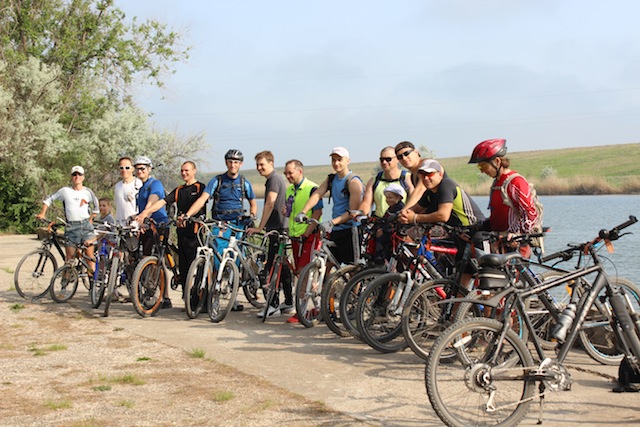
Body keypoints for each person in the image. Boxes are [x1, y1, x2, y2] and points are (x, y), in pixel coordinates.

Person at [183, 149, 257, 311]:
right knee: (217, 260)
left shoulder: (244, 182)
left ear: (241, 164)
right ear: (226, 163)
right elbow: (203, 199)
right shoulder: (217, 181)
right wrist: (188, 214)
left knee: (235, 261)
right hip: (220, 223)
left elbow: (253, 202)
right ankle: (214, 297)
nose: (233, 164)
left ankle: (233, 297)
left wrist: (252, 215)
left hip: (238, 225)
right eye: (230, 161)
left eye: (236, 162)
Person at [135, 161, 206, 297]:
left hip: (195, 231)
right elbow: (162, 202)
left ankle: (199, 297)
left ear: (194, 171)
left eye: (187, 170)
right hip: (181, 230)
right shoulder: (179, 190)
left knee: (195, 265)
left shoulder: (199, 188)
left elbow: (201, 202)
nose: (184, 173)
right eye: (182, 171)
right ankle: (186, 296)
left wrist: (188, 216)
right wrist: (145, 213)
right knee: (183, 265)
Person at [468, 138, 539, 257]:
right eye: (479, 167)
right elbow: (498, 216)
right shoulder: (497, 183)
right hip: (499, 244)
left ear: (497, 161)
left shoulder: (516, 182)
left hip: (514, 247)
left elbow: (531, 213)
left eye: (483, 166)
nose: (482, 171)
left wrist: (518, 235)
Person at [295, 147, 364, 265]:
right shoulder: (331, 179)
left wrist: (331, 222)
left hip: (350, 230)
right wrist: (303, 212)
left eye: (339, 159)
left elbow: (352, 213)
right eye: (333, 160)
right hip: (336, 229)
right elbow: (317, 194)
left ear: (348, 160)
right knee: (326, 265)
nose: (336, 163)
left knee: (352, 269)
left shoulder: (353, 182)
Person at [246, 151, 292, 318]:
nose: (259, 168)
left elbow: (269, 204)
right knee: (283, 266)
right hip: (282, 228)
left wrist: (259, 227)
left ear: (271, 164)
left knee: (271, 268)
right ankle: (288, 302)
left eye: (262, 164)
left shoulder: (273, 179)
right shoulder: (277, 178)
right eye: (257, 165)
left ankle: (272, 305)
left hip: (276, 229)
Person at [281, 159, 323, 323]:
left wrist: (307, 233)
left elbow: (317, 213)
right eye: (285, 173)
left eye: (290, 172)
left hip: (309, 236)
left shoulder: (312, 188)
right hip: (295, 236)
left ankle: (302, 311)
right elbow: (290, 212)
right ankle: (317, 308)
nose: (287, 176)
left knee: (305, 272)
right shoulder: (289, 189)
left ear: (300, 171)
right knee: (300, 273)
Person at [36, 166, 99, 272]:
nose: (77, 177)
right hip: (71, 226)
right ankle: (64, 285)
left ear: (83, 177)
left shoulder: (88, 192)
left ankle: (93, 285)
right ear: (71, 177)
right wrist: (42, 213)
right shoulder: (65, 191)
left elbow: (96, 207)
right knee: (69, 259)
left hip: (86, 227)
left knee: (89, 257)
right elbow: (49, 199)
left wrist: (91, 219)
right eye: (74, 174)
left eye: (79, 174)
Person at [399, 159, 484, 228]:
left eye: (430, 174)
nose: (426, 178)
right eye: (422, 174)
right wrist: (404, 214)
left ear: (440, 174)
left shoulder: (446, 185)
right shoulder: (430, 192)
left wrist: (415, 218)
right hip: (456, 232)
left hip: (473, 230)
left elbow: (443, 216)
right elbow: (415, 208)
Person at [133, 156, 171, 308]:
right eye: (137, 168)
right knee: (144, 257)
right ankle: (146, 290)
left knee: (157, 261)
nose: (140, 171)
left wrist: (143, 216)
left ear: (149, 169)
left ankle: (165, 297)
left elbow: (152, 201)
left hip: (158, 224)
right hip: (146, 225)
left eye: (143, 168)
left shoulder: (155, 184)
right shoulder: (141, 187)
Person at [356, 146, 413, 218]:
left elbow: (413, 204)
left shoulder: (407, 179)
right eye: (381, 159)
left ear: (397, 159)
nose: (384, 162)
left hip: (401, 222)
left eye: (388, 159)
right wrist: (360, 212)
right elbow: (366, 203)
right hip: (380, 223)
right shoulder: (374, 181)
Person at [372, 183, 406, 265]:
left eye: (390, 197)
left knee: (381, 241)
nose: (388, 200)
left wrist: (383, 230)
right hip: (389, 233)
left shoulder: (399, 208)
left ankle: (380, 261)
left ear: (399, 197)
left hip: (393, 236)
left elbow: (394, 222)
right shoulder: (391, 208)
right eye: (386, 197)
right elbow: (385, 219)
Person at [114, 156, 141, 225]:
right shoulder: (117, 186)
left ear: (132, 169)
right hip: (120, 225)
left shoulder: (138, 183)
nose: (124, 170)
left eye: (127, 168)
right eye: (121, 168)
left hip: (134, 225)